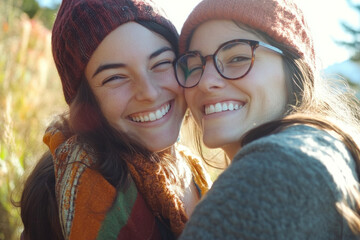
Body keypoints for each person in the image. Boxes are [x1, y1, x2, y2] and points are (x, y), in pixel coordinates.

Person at [19, 0, 212, 239]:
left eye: (161, 63)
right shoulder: (96, 189)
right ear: (86, 100)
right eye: (115, 78)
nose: (149, 93)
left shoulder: (188, 165)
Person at [173, 0, 360, 239]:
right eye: (194, 66)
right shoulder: (321, 150)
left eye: (237, 58)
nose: (206, 81)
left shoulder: (279, 168)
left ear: (295, 72)